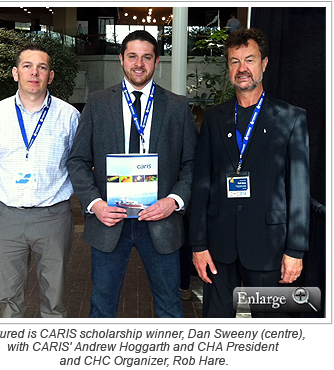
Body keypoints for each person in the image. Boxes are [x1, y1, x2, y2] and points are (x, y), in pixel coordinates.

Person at [67, 30, 198, 318]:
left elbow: (192, 164)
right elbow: (77, 160)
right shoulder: (98, 103)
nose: (139, 63)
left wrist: (174, 200)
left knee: (169, 307)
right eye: (133, 56)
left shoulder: (177, 107)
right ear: (122, 60)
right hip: (109, 220)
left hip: (160, 221)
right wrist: (94, 204)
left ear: (157, 61)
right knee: (102, 306)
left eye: (147, 57)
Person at [189, 28, 310, 318]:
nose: (242, 68)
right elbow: (201, 184)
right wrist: (198, 244)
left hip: (270, 247)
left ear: (264, 64)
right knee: (215, 332)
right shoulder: (214, 118)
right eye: (234, 61)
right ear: (228, 68)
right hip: (219, 249)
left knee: (272, 335)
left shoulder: (292, 118)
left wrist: (296, 250)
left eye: (249, 60)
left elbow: (299, 189)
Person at [0, 44, 81, 318]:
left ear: (51, 75)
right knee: (9, 296)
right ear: (15, 73)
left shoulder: (69, 116)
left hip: (53, 217)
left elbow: (78, 164)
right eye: (27, 66)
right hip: (8, 216)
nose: (34, 73)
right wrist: (9, 192)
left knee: (54, 298)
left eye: (42, 67)